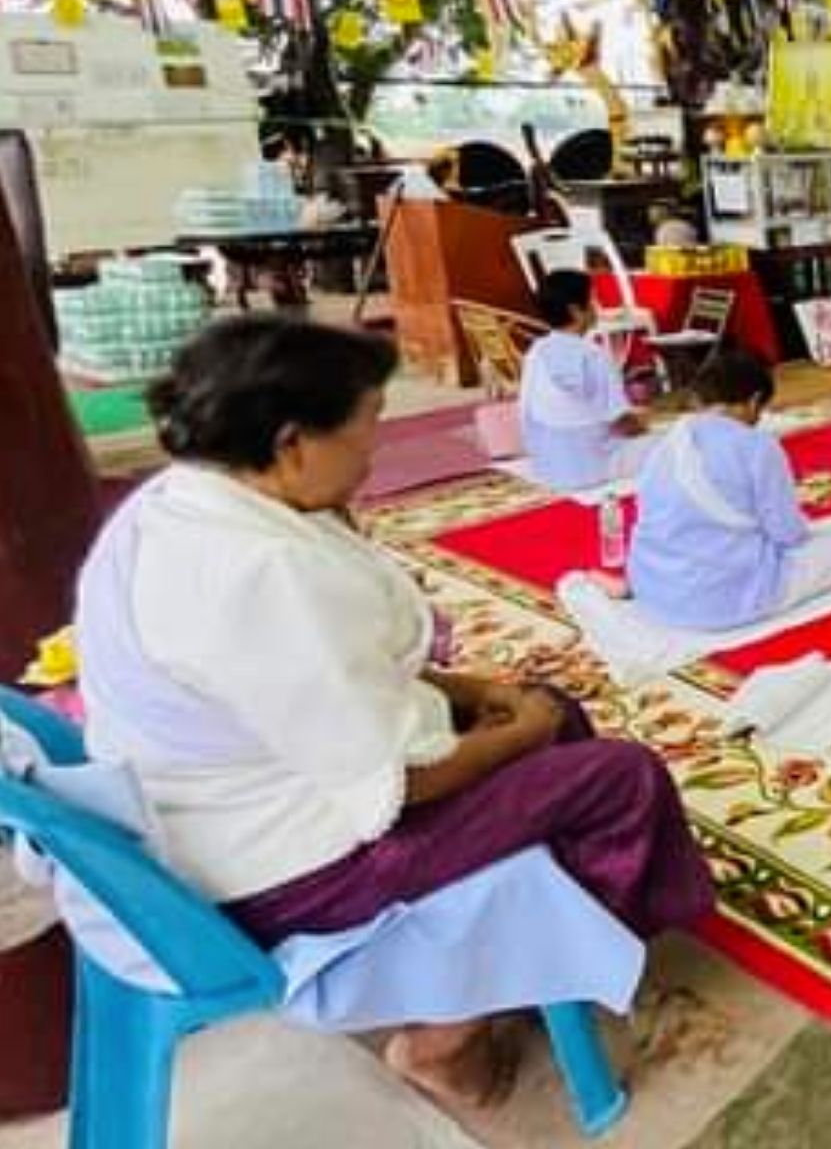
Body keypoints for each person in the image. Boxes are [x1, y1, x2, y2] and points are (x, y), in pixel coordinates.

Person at [76, 317, 711, 1103]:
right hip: (290, 870)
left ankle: (552, 946)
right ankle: (456, 1028)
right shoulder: (259, 573)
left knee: (554, 710)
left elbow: (336, 673)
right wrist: (524, 735)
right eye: (367, 425)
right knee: (622, 777)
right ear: (292, 444)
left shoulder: (179, 503)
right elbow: (400, 785)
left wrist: (478, 695)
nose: (375, 449)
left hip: (230, 809)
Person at [625, 350, 831, 631]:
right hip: (722, 599)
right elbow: (788, 535)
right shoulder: (757, 446)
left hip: (654, 587)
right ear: (754, 401)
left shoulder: (669, 441)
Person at [518, 269, 648, 491]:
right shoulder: (593, 355)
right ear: (576, 311)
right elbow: (621, 423)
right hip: (593, 467)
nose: (597, 307)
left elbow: (528, 414)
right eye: (593, 301)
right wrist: (644, 427)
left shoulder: (535, 352)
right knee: (671, 444)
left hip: (546, 467)